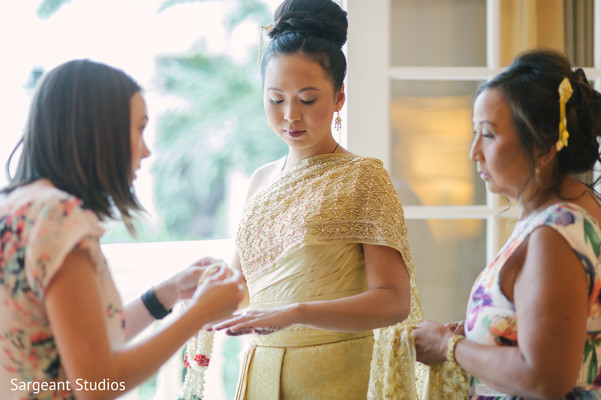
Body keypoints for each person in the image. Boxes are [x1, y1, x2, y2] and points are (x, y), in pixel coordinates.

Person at [208, 0, 423, 399]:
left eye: (308, 100)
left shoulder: (363, 176)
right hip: (260, 372)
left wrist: (296, 314)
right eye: (276, 99)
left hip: (337, 376)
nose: (291, 115)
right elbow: (239, 288)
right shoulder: (260, 181)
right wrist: (197, 298)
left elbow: (393, 300)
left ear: (340, 96)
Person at [0, 59, 243, 400]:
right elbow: (96, 383)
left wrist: (168, 293)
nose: (146, 151)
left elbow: (85, 340)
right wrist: (199, 314)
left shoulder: (16, 207)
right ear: (100, 132)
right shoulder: (60, 217)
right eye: (140, 129)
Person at [414, 48, 601, 399]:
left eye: (488, 134)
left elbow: (544, 377)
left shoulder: (553, 234)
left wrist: (448, 346)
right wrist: (480, 331)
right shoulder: (567, 212)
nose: (474, 152)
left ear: (543, 147)